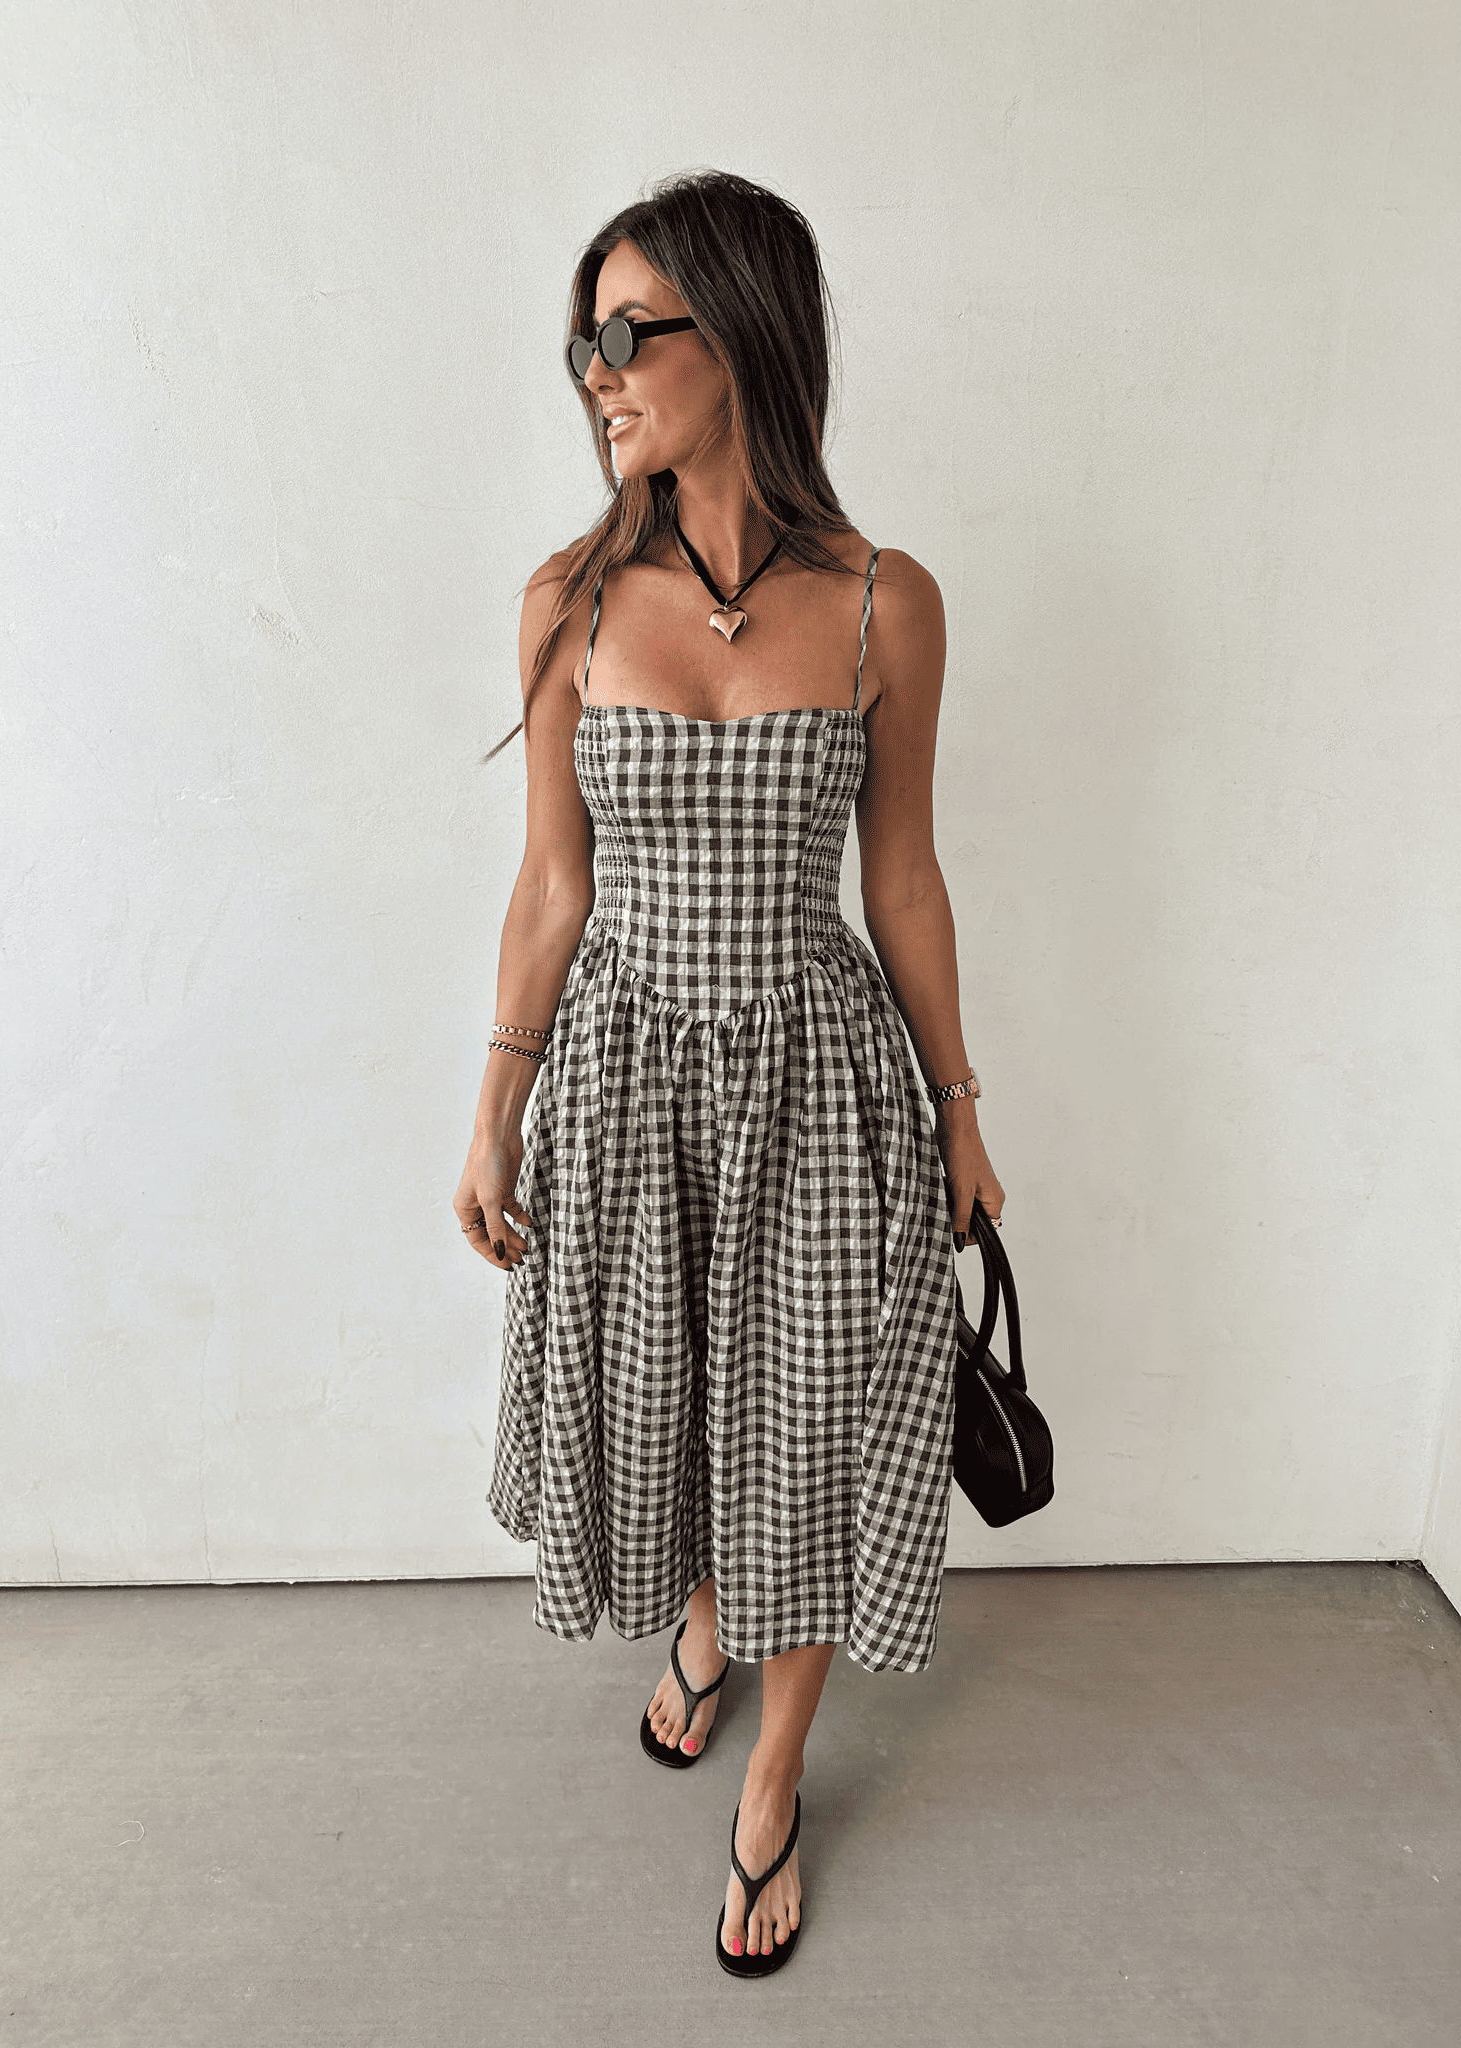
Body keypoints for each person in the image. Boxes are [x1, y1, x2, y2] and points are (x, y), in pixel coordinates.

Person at [453, 169, 1005, 1977]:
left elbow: (901, 879)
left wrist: (960, 1111)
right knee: (683, 1398)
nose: (595, 372)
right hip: (626, 1084)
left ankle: (775, 1772)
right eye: (580, 341)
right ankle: (700, 1621)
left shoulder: (885, 604)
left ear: (745, 333)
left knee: (813, 1420)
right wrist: (494, 1111)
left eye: (629, 332)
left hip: (821, 1084)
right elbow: (553, 886)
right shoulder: (567, 600)